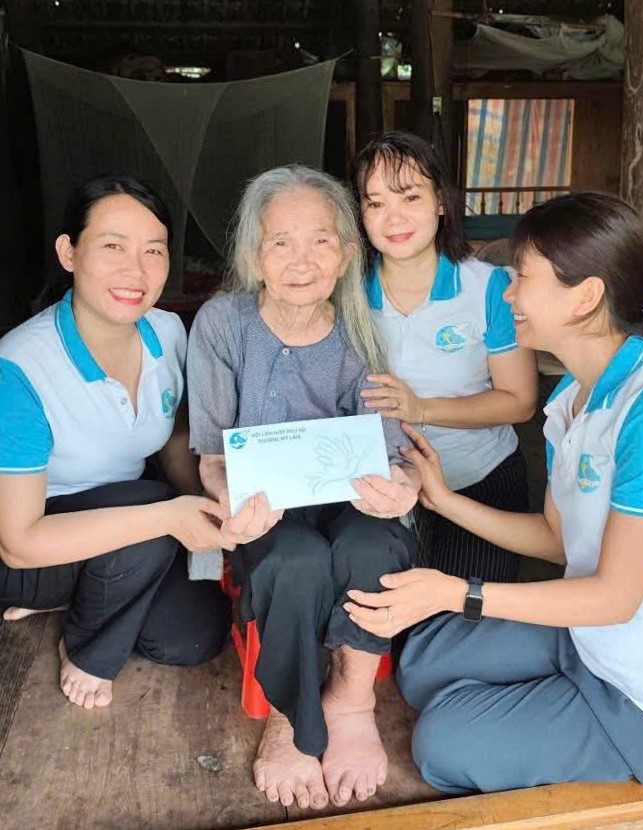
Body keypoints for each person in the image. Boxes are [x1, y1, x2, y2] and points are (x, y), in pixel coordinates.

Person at [344, 192, 643, 794]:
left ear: (584, 297)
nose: (508, 295)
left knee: (441, 744)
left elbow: (615, 598)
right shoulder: (570, 401)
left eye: (522, 278)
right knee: (422, 662)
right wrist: (443, 499)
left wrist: (456, 593)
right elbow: (558, 541)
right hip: (588, 639)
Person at [186, 165, 419, 811]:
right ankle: (290, 717)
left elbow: (392, 454)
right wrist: (229, 504)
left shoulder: (361, 331)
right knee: (295, 559)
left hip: (350, 499)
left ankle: (351, 700)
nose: (301, 260)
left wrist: (402, 488)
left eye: (320, 240)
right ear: (253, 257)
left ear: (346, 255)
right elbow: (212, 456)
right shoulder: (223, 324)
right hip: (264, 507)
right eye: (280, 242)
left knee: (374, 547)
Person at [0, 174, 271, 711]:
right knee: (149, 506)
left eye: (153, 250)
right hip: (25, 550)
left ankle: (87, 593)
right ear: (68, 253)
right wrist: (168, 515)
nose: (136, 270)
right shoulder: (21, 367)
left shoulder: (167, 332)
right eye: (112, 247)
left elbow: (172, 433)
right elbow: (19, 542)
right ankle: (87, 650)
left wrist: (209, 499)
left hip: (121, 531)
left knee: (191, 638)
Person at [351, 131, 538, 583]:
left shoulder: (488, 287)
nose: (393, 218)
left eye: (410, 196)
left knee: (462, 618)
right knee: (373, 613)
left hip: (478, 481)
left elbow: (520, 401)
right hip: (377, 487)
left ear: (440, 201)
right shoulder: (345, 292)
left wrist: (421, 409)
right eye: (375, 203)